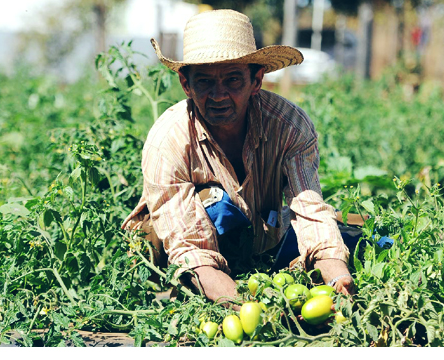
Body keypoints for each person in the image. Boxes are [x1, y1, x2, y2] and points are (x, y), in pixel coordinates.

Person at [121, 9, 360, 307]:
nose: (219, 95)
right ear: (186, 84)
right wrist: (246, 306)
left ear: (256, 80)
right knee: (166, 236)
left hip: (261, 237)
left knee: (349, 230)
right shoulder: (168, 141)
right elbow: (189, 248)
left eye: (233, 79)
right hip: (179, 244)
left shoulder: (289, 126)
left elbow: (308, 208)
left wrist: (337, 275)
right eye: (205, 82)